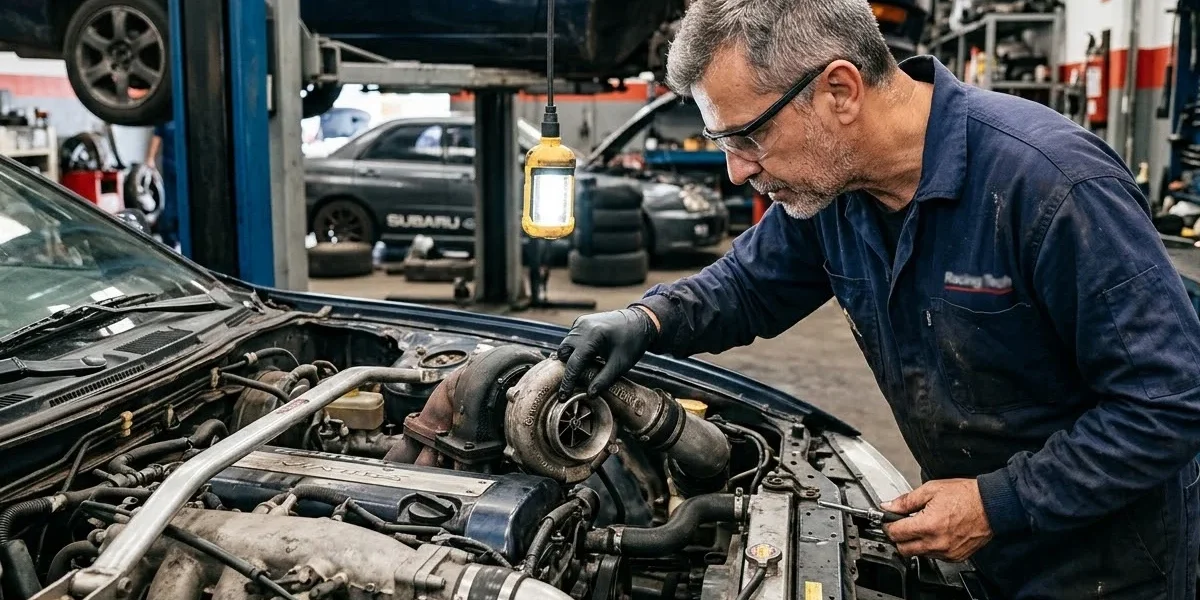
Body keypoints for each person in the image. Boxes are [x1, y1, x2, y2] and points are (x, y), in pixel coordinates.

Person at [554, 0, 1200, 597]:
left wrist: (996, 504)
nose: (738, 170)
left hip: (1105, 560)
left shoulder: (1051, 185)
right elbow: (750, 285)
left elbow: (1168, 399)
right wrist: (647, 319)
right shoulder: (835, 189)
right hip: (977, 533)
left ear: (839, 90)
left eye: (746, 137)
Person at [145, 120, 178, 249]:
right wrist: (150, 159)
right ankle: (170, 243)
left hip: (186, 170)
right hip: (170, 169)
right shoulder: (166, 118)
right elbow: (157, 135)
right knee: (169, 207)